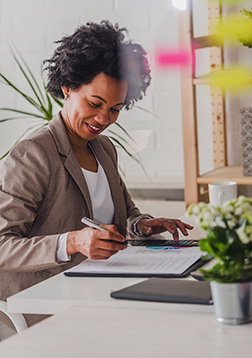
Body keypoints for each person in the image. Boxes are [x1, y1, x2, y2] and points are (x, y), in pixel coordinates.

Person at [0, 21, 193, 329]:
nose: (104, 119)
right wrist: (73, 242)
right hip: (46, 303)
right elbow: (2, 246)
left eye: (115, 109)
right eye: (95, 103)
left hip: (100, 290)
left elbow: (122, 218)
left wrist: (142, 225)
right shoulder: (33, 154)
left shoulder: (103, 148)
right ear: (68, 86)